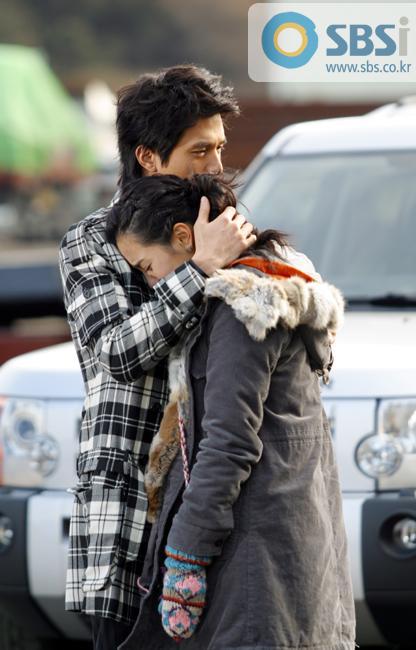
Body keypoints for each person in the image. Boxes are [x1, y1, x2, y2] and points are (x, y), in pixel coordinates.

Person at [107, 173, 356, 650]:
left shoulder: (243, 309)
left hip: (257, 572)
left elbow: (228, 444)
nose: (151, 282)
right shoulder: (262, 288)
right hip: (276, 560)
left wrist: (185, 554)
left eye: (147, 266)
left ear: (184, 237)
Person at [58, 65, 256, 650]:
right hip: (128, 513)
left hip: (217, 508)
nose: (216, 166)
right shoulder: (92, 241)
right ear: (147, 156)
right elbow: (115, 350)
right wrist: (200, 269)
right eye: (200, 151)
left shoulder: (225, 229)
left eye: (219, 148)